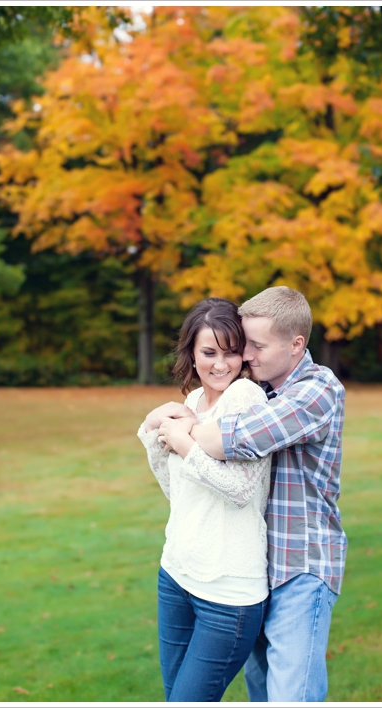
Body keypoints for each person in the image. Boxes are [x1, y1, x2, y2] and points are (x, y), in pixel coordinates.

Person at [154, 286, 346, 703]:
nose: (247, 356)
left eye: (255, 346)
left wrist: (176, 430)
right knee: (260, 694)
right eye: (246, 344)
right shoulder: (260, 388)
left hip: (300, 565)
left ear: (297, 344)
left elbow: (234, 439)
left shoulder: (316, 391)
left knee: (289, 696)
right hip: (257, 562)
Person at [138, 297, 270, 702]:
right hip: (176, 574)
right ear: (191, 355)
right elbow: (177, 493)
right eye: (209, 352)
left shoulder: (246, 397)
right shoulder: (193, 402)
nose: (220, 364)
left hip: (228, 592)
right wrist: (153, 437)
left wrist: (184, 445)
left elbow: (240, 489)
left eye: (231, 352)